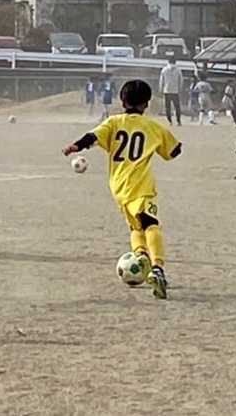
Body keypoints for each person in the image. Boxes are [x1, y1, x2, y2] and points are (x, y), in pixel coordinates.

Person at [62, 80, 182, 299]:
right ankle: (157, 269)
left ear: (122, 101)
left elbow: (92, 137)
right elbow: (174, 152)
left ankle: (142, 256)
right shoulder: (153, 127)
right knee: (151, 225)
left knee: (136, 229)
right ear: (146, 104)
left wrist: (76, 146)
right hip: (142, 187)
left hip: (119, 188)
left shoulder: (113, 122)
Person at [159, 57, 183, 126]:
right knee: (177, 107)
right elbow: (180, 80)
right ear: (175, 62)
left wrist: (161, 89)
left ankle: (170, 121)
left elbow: (161, 81)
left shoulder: (164, 70)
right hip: (175, 91)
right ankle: (178, 121)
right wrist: (180, 89)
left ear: (168, 62)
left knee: (167, 107)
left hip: (166, 91)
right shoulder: (178, 70)